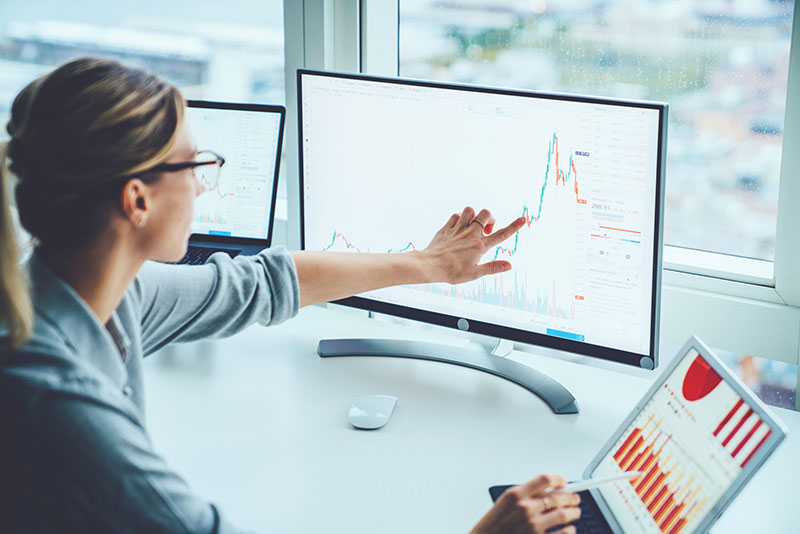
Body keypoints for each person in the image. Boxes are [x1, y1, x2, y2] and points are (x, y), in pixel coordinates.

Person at [0, 57, 581, 534]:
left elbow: (262, 283)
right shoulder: (60, 407)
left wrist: (426, 264)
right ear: (137, 201)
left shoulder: (75, 290)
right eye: (195, 166)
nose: (204, 183)